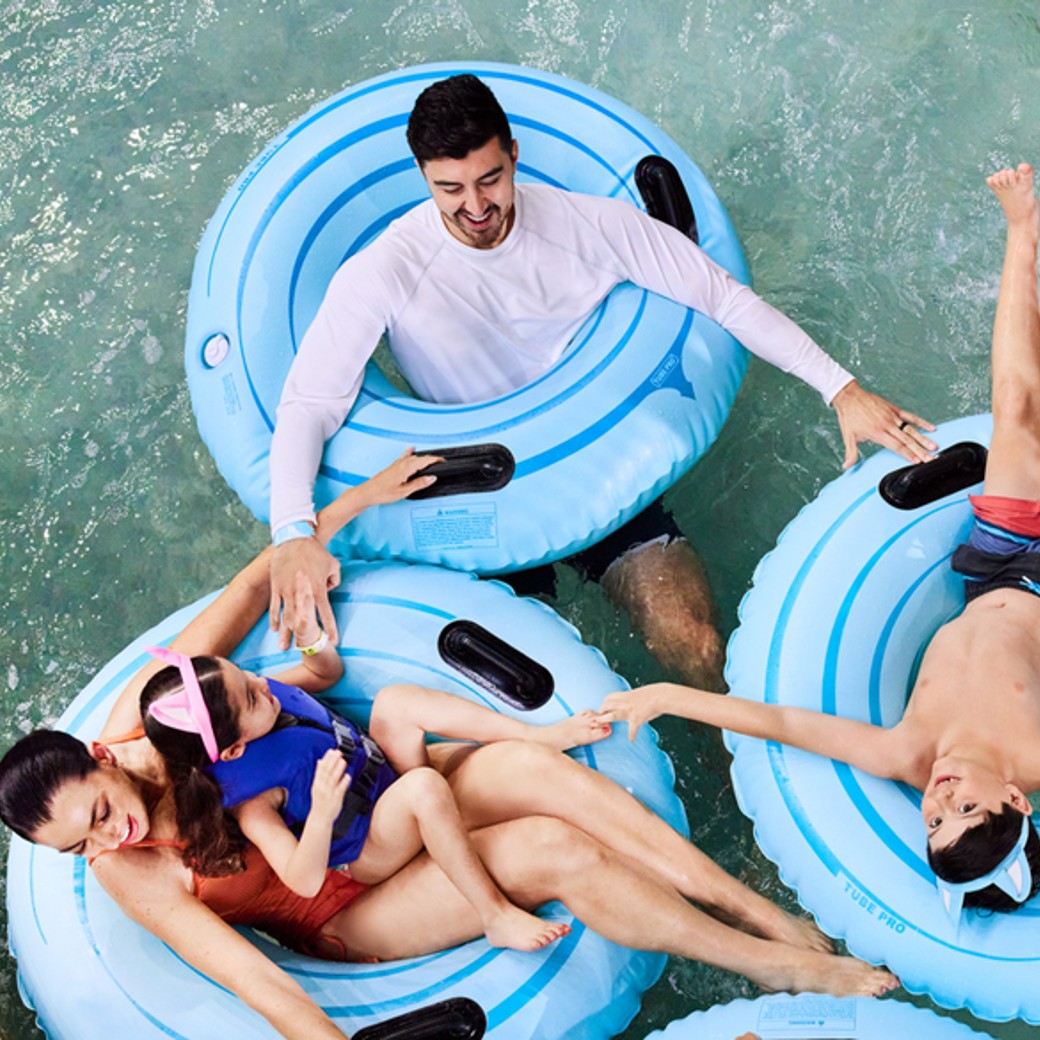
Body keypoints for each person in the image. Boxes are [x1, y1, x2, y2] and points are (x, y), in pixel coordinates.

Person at [0, 495, 898, 1040]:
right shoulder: (135, 875)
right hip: (348, 907)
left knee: (535, 773)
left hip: (372, 810)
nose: (106, 840)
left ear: (98, 758)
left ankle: (748, 903)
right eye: (79, 848)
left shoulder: (158, 718)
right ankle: (765, 964)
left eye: (97, 812)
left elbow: (241, 611)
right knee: (547, 845)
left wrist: (299, 539)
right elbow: (256, 980)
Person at [267, 73, 937, 692]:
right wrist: (294, 530)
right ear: (422, 178)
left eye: (490, 179)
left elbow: (719, 295)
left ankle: (736, 765)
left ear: (516, 155)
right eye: (450, 189)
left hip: (592, 467)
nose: (475, 206)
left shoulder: (586, 225)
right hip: (478, 498)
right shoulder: (385, 268)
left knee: (693, 643)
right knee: (519, 689)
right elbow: (309, 404)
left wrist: (841, 388)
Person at [599, 163, 1040, 923]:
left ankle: (1020, 233)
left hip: (992, 568)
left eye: (933, 823)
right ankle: (1024, 230)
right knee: (1022, 407)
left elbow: (790, 725)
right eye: (964, 809)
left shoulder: (907, 755)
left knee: (1015, 409)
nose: (938, 800)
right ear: (1013, 800)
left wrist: (668, 693)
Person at [141, 637, 610, 951]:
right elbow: (302, 880)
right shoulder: (253, 804)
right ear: (235, 747)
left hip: (380, 782)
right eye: (251, 697)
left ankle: (536, 735)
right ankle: (494, 915)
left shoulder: (264, 698)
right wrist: (322, 814)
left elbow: (324, 671)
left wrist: (310, 639)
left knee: (395, 702)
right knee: (423, 788)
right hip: (369, 847)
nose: (263, 685)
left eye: (246, 676)